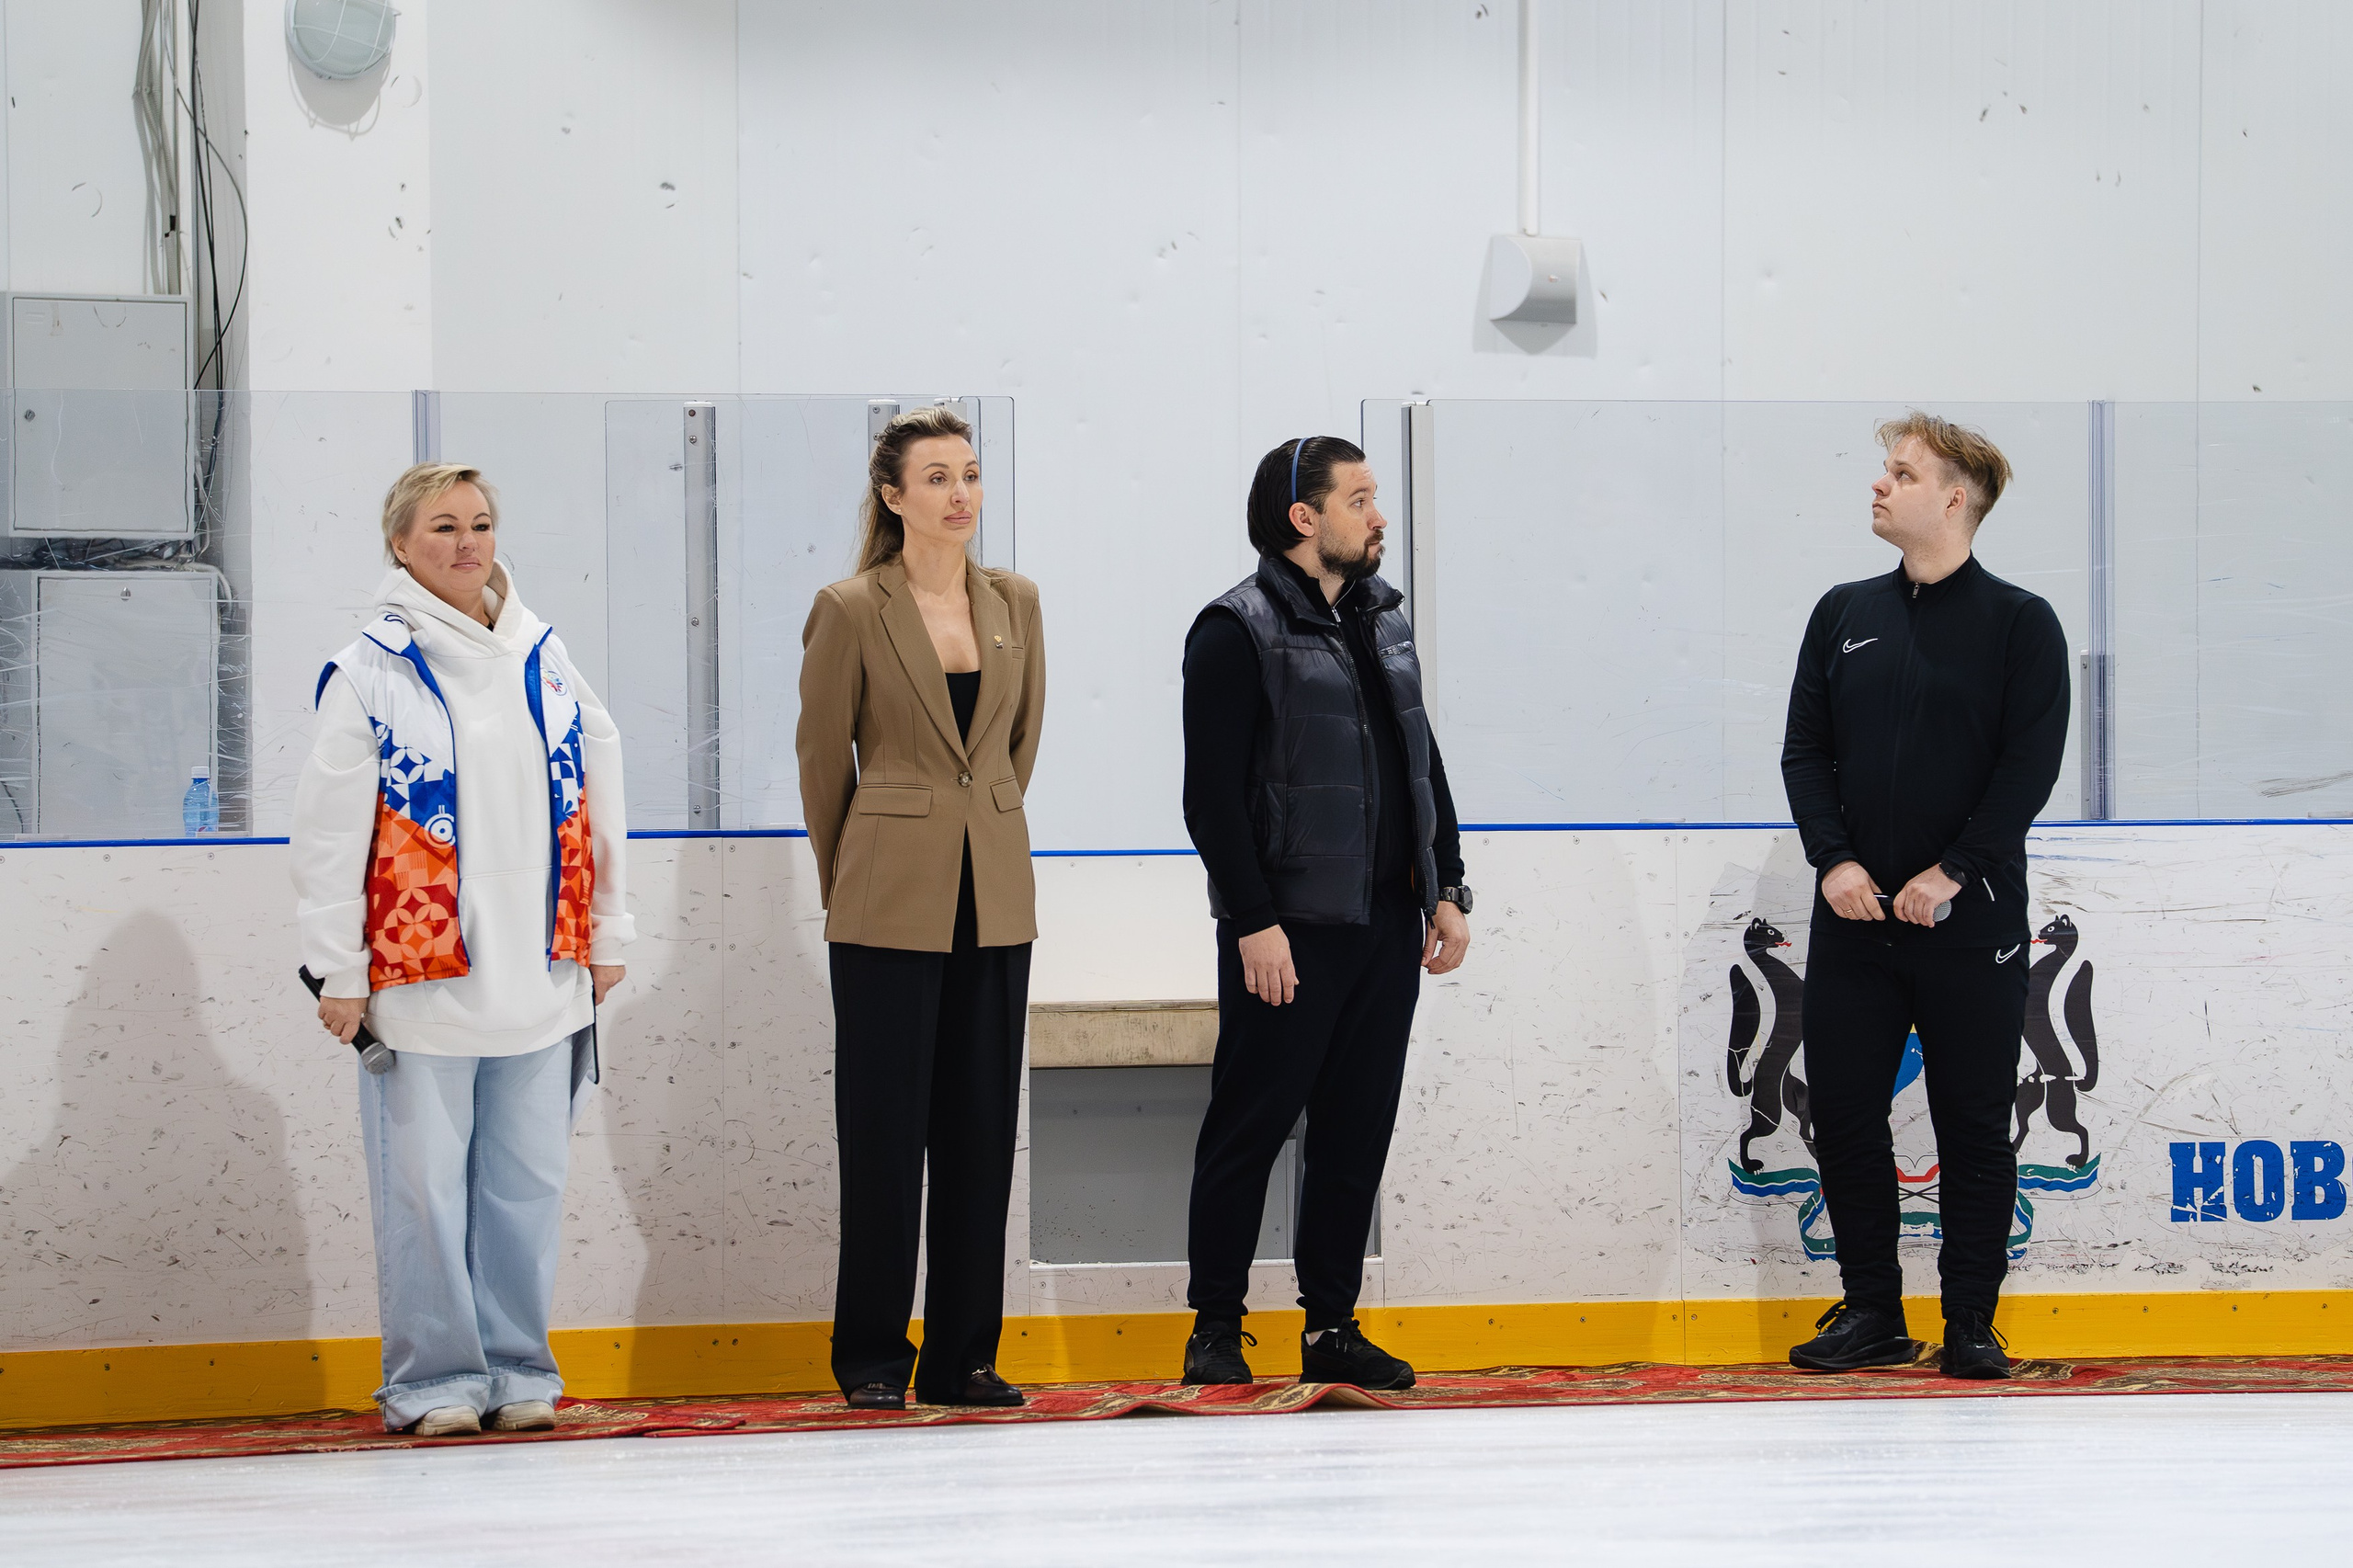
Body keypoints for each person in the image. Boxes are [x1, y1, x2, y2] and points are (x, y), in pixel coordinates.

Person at [293, 462, 633, 1435]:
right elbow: (326, 834)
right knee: (425, 1197)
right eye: (442, 526)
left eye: (480, 523)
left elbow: (600, 788)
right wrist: (339, 965)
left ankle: (521, 1366)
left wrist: (611, 928)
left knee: (527, 1185)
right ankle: (435, 1379)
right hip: (419, 978)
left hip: (545, 967)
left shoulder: (546, 655)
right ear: (400, 543)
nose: (466, 542)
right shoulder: (371, 668)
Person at [1177, 436, 1472, 1391]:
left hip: (1385, 922)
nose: (1377, 515)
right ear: (1303, 518)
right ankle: (1215, 1328)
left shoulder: (1385, 621)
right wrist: (1252, 919)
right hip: (1288, 929)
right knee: (1249, 1126)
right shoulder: (1235, 629)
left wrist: (1449, 884)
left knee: (1354, 1133)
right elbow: (1210, 797)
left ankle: (1331, 1325)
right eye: (1359, 499)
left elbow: (1422, 759)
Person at [1779, 413, 2068, 1380]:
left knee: (1973, 1120)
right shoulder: (1841, 611)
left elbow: (2028, 765)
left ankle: (1971, 1321)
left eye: (1900, 473)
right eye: (1883, 470)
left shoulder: (2020, 623)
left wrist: (1955, 871)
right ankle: (1870, 1311)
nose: (1878, 485)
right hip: (1853, 918)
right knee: (1848, 1114)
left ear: (1955, 497)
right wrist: (1834, 861)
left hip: (1969, 919)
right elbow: (1805, 753)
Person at [797, 405, 1047, 1411]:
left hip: (993, 893)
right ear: (893, 495)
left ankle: (964, 1355)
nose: (961, 495)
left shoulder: (1016, 601)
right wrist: (849, 881)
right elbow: (823, 765)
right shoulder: (852, 605)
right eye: (937, 477)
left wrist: (978, 816)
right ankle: (869, 1355)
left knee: (982, 1134)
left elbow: (1018, 745)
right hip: (883, 897)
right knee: (885, 1136)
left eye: (971, 475)